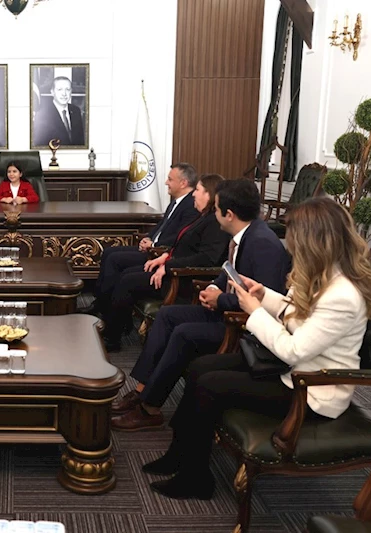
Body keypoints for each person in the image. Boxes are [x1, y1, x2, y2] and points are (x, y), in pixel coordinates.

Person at [144, 197, 371, 500]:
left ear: (313, 242)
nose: (290, 246)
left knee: (210, 384)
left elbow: (293, 349)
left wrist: (255, 311)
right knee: (200, 367)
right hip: (293, 370)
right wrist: (264, 296)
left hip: (312, 390)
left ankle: (195, 478)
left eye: (295, 238)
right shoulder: (326, 275)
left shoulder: (341, 295)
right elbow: (298, 314)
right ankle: (179, 454)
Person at [111, 178, 291, 431]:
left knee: (184, 333)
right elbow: (228, 272)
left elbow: (263, 301)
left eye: (216, 209)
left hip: (242, 325)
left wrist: (221, 299)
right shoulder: (245, 234)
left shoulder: (263, 244)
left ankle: (149, 407)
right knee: (167, 316)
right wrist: (214, 288)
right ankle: (142, 390)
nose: (213, 214)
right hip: (225, 310)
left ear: (229, 214)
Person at [100, 174, 230, 349]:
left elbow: (206, 258)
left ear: (209, 194)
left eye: (198, 190)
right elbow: (183, 245)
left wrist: (168, 266)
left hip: (183, 280)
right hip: (172, 269)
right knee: (127, 274)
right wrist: (165, 256)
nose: (193, 194)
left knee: (128, 280)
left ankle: (113, 337)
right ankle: (117, 327)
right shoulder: (203, 217)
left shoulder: (214, 222)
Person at [80, 163, 200, 317]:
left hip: (159, 253)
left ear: (183, 183)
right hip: (152, 247)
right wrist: (148, 237)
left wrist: (154, 244)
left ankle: (106, 308)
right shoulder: (177, 201)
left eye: (170, 179)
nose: (166, 182)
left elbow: (180, 236)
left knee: (115, 260)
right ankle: (101, 302)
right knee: (109, 252)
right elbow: (162, 226)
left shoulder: (191, 205)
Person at [33, 76, 85, 146]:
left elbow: (80, 141)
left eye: (67, 89)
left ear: (71, 91)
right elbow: (39, 144)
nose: (64, 94)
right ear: (52, 92)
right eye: (60, 89)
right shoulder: (43, 114)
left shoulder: (76, 111)